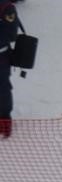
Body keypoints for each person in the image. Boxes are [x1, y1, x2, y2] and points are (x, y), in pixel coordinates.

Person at [0, 0, 16, 138]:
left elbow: (11, 34)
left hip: (1, 57)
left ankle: (4, 121)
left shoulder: (6, 7)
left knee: (2, 89)